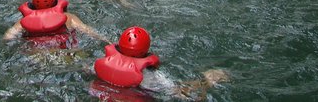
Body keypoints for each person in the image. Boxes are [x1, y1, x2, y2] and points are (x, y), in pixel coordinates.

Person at [92, 27, 229, 100]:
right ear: (146, 49)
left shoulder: (99, 64)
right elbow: (178, 92)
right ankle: (210, 78)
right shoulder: (149, 77)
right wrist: (205, 84)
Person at [3, 0, 107, 47]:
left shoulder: (23, 22)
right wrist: (106, 40)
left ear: (33, 2)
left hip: (36, 53)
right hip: (64, 50)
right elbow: (88, 31)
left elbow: (8, 38)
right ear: (54, 0)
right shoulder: (68, 18)